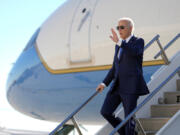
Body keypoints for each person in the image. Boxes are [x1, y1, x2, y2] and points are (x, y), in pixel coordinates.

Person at [96, 17, 149, 135]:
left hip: (131, 87)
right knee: (105, 112)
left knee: (129, 118)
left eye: (122, 27)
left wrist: (120, 42)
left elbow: (135, 52)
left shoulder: (138, 41)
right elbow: (115, 67)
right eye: (118, 27)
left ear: (130, 28)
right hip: (117, 87)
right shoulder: (118, 46)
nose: (119, 30)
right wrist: (104, 83)